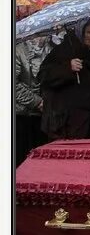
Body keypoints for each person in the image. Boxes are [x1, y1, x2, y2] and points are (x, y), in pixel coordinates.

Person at [38, 19, 90, 141]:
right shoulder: (64, 50)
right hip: (68, 121)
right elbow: (44, 76)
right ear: (80, 33)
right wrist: (67, 67)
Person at [15, 35, 60, 165]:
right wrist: (37, 102)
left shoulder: (53, 47)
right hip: (24, 114)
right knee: (23, 157)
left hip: (47, 113)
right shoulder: (17, 50)